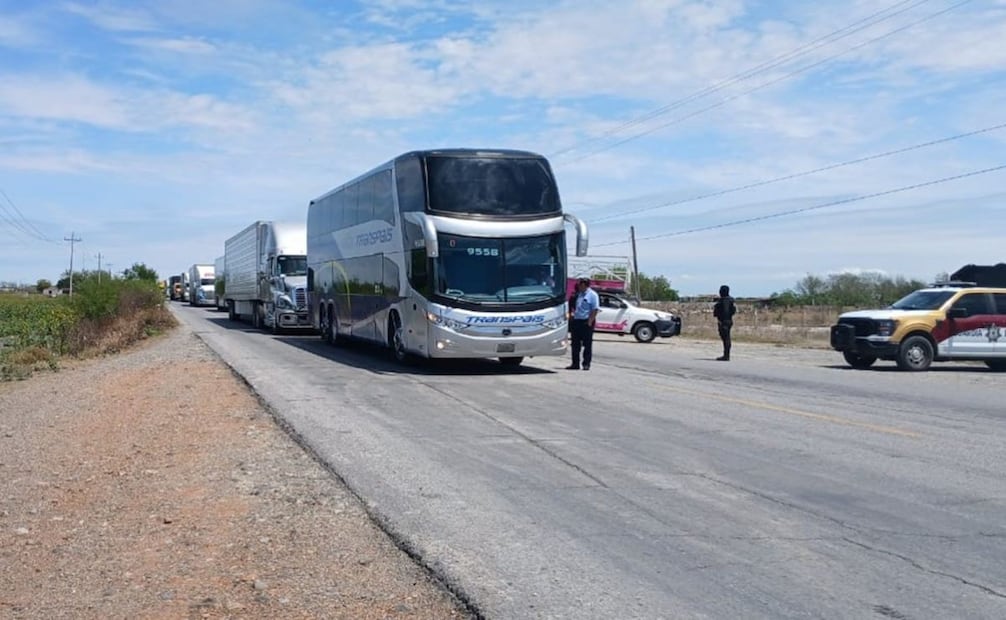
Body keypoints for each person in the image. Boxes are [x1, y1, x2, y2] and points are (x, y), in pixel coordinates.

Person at [567, 277, 599, 370]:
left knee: (587, 344)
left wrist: (590, 321)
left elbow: (595, 309)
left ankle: (586, 364)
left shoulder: (592, 295)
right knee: (575, 344)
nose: (578, 286)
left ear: (584, 285)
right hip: (577, 321)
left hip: (586, 322)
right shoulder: (579, 294)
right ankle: (575, 364)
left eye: (580, 284)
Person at [713, 284, 736, 361]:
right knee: (726, 338)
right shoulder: (730, 300)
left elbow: (721, 312)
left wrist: (722, 319)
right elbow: (733, 311)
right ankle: (726, 354)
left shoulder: (724, 301)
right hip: (729, 320)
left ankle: (726, 356)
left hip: (724, 321)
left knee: (726, 338)